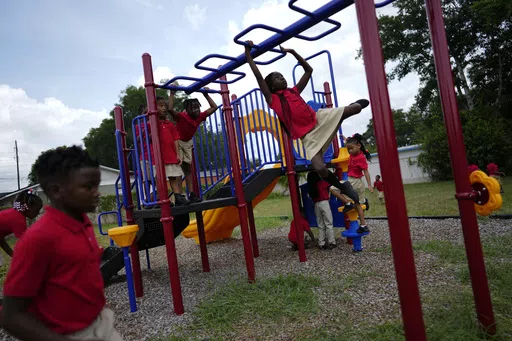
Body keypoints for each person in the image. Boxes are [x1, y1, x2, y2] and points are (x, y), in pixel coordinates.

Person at [1, 145, 122, 341]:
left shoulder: (83, 222)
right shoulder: (39, 240)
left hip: (100, 325)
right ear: (56, 190)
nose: (97, 193)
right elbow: (11, 315)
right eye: (88, 187)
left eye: (97, 185)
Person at [243, 40, 368, 217]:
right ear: (271, 86)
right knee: (319, 167)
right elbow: (258, 76)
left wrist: (293, 52)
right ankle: (342, 186)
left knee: (355, 108)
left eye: (282, 75)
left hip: (319, 119)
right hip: (308, 136)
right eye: (278, 77)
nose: (282, 78)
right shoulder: (272, 100)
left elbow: (308, 70)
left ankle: (348, 109)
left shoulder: (294, 91)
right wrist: (248, 54)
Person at [168, 87, 219, 203]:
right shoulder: (182, 116)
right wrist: (172, 93)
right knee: (178, 169)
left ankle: (191, 193)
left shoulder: (200, 116)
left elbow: (214, 107)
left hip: (187, 142)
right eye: (193, 108)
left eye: (197, 107)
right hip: (177, 141)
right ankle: (179, 196)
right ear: (187, 110)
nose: (196, 110)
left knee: (188, 169)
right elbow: (170, 109)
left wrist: (205, 94)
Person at [137, 96, 187, 206]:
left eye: (165, 106)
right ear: (154, 109)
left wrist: (177, 154)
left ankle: (178, 196)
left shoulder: (170, 124)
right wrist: (149, 119)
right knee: (160, 179)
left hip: (171, 155)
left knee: (173, 176)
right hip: (158, 157)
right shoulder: (151, 124)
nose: (164, 108)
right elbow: (142, 138)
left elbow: (175, 139)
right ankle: (163, 199)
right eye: (161, 106)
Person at [331, 134, 372, 234]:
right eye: (348, 149)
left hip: (355, 182)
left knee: (332, 188)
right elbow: (349, 143)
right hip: (353, 181)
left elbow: (366, 172)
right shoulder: (353, 152)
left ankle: (348, 203)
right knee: (357, 204)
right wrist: (344, 138)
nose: (349, 151)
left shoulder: (360, 158)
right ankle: (363, 225)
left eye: (351, 149)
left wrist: (369, 185)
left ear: (358, 145)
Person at [0, 190, 43, 266]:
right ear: (27, 207)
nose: (38, 213)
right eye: (37, 210)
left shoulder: (13, 214)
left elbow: (1, 241)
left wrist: (14, 256)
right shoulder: (18, 220)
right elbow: (27, 245)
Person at [307, 172, 337, 250]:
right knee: (329, 223)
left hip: (316, 205)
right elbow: (330, 183)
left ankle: (321, 243)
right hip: (324, 203)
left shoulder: (311, 186)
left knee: (320, 225)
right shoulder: (321, 183)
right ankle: (331, 242)